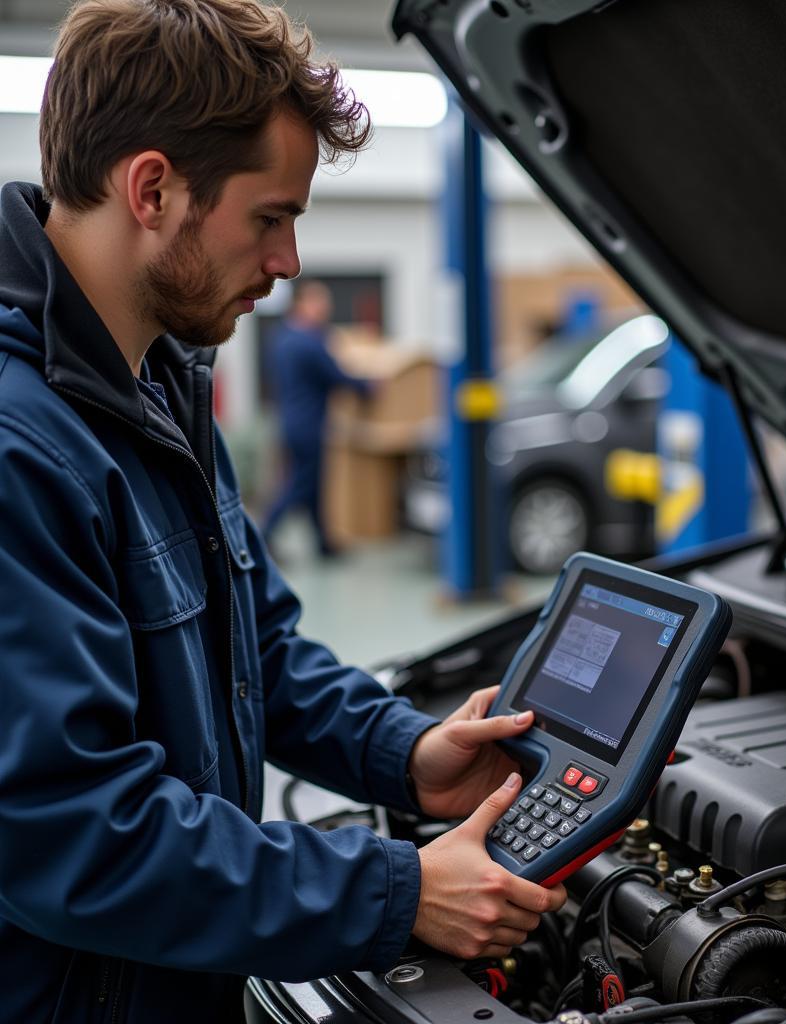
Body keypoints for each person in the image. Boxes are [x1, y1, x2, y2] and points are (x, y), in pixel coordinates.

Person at [0, 2, 566, 1022]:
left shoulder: (157, 386)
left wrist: (402, 750)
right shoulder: (19, 449)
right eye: (271, 216)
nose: (290, 261)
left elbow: (254, 642)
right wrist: (393, 892)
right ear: (153, 189)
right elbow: (70, 830)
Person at [263, 279, 369, 556]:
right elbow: (336, 375)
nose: (325, 308)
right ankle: (263, 535)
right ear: (301, 304)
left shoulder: (283, 337)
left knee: (314, 486)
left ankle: (324, 544)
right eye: (319, 302)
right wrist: (370, 388)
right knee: (301, 485)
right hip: (308, 423)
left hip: (292, 419)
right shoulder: (307, 341)